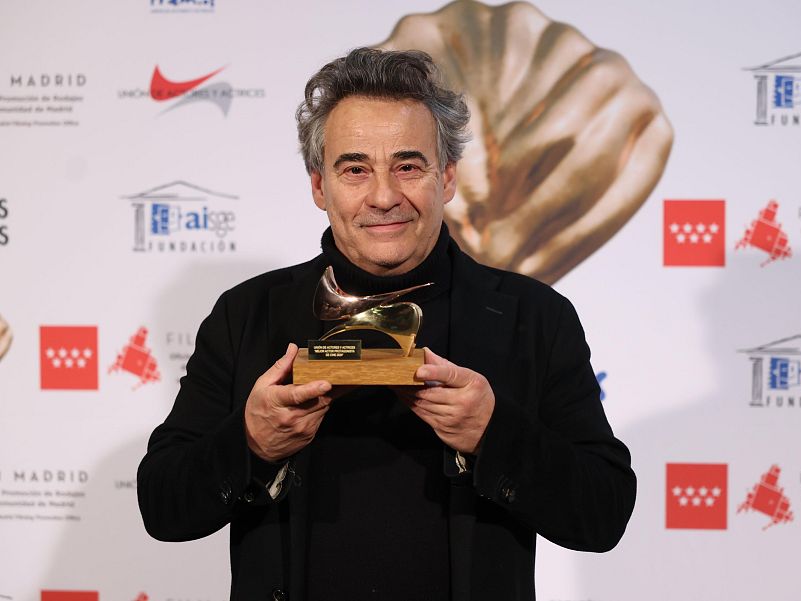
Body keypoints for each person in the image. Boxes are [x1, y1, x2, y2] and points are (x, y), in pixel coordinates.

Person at [137, 47, 636, 601]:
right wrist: (250, 442)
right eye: (355, 169)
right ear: (319, 186)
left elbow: (604, 513)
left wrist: (494, 434)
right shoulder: (247, 313)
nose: (383, 196)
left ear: (446, 177)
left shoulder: (533, 317)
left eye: (408, 166)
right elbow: (162, 506)